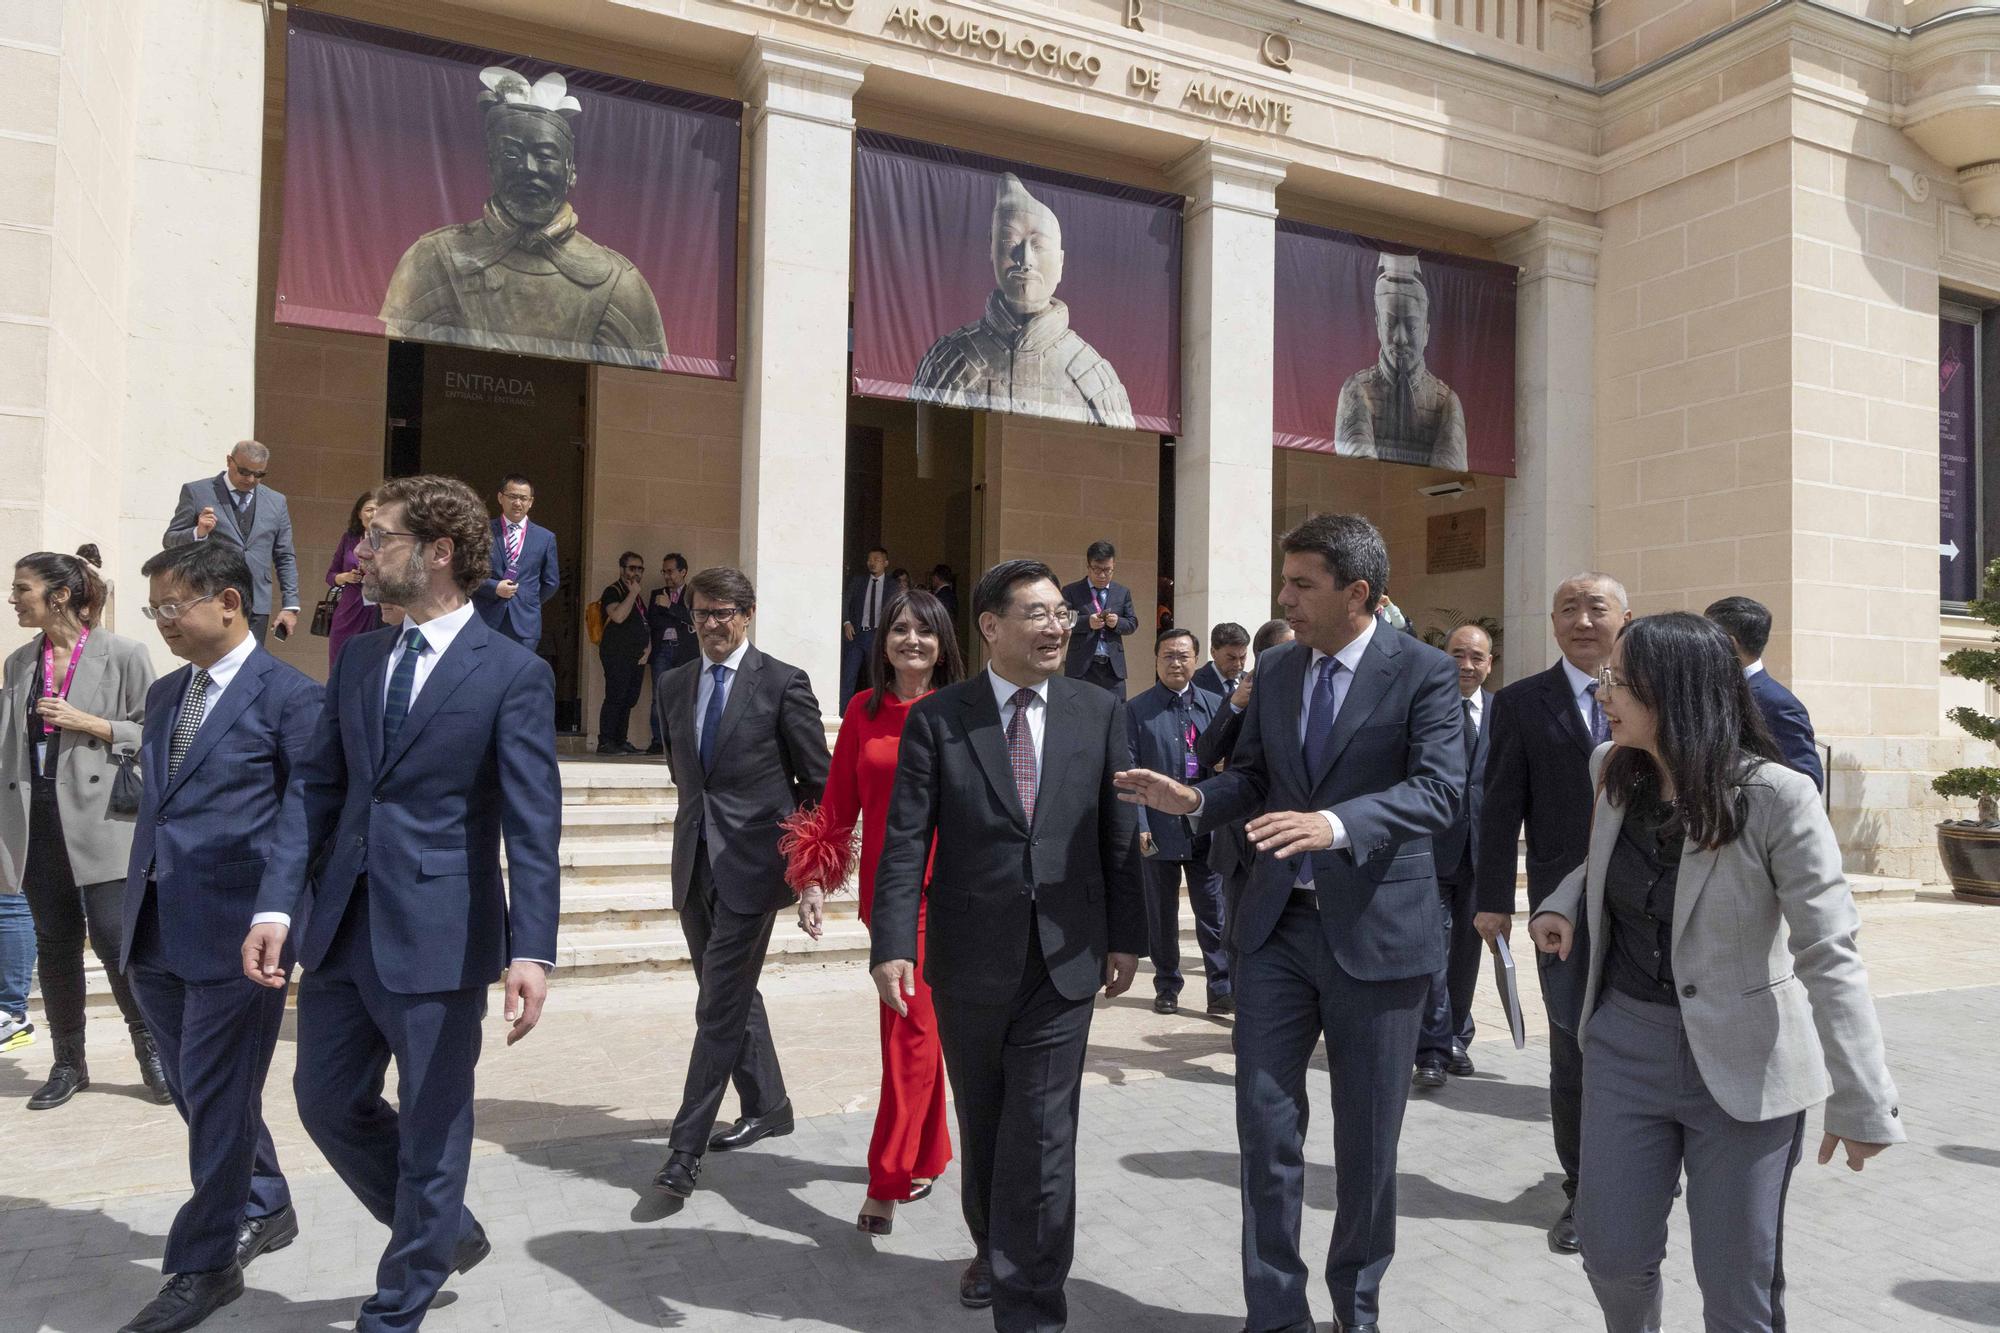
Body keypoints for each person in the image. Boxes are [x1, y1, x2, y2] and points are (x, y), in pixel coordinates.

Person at [1116, 514, 1464, 1333]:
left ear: (1359, 593)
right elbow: (1261, 777)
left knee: (1367, 1145)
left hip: (1378, 937)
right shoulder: (1274, 670)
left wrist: (1334, 824)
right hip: (1275, 931)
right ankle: (1274, 1315)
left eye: (1303, 584)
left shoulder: (1423, 674)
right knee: (1266, 1133)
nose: (1285, 599)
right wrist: (1197, 799)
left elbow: (1440, 792)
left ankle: (1357, 1310)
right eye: (1286, 582)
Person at [242, 474, 561, 1333]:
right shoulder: (361, 658)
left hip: (442, 934)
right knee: (323, 1099)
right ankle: (443, 1230)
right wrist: (276, 904)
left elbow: (533, 824)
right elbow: (314, 787)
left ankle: (397, 1306)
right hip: (342, 929)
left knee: (432, 1127)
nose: (361, 553)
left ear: (438, 551)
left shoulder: (514, 674)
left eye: (377, 536)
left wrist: (533, 947)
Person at [1528, 612, 1902, 1333]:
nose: (1603, 693)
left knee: (1736, 1285)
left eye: (1619, 681)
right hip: (1623, 1047)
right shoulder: (1611, 769)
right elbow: (1601, 860)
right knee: (1610, 1252)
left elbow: (1829, 948)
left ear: (1676, 692)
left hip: (1745, 1061)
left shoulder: (1776, 796)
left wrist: (1862, 1096)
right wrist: (1564, 899)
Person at [871, 559, 1144, 1329]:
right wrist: (893, 942)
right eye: (1038, 613)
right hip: (967, 958)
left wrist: (1129, 935)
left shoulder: (1098, 710)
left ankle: (1033, 1299)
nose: (1058, 625)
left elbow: (1118, 832)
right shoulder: (940, 718)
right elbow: (903, 842)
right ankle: (993, 1245)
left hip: (1066, 956)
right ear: (991, 626)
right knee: (988, 1117)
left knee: (1046, 1128)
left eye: (1062, 612)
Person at [114, 541, 323, 1333]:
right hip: (155, 930)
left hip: (241, 940)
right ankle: (264, 1200)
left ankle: (204, 1265)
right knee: (204, 1093)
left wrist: (280, 917)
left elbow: (306, 824)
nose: (162, 623)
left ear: (229, 601)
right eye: (154, 610)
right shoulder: (169, 694)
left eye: (173, 606)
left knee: (218, 1097)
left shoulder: (292, 698)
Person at [785, 589, 964, 1236]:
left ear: (945, 642)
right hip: (892, 901)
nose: (911, 639)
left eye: (925, 630)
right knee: (911, 1033)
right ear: (881, 639)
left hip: (961, 897)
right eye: (899, 629)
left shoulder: (963, 711)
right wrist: (812, 880)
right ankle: (902, 1169)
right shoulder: (864, 710)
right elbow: (837, 806)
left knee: (917, 1035)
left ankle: (909, 1163)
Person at [651, 567, 831, 1200]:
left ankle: (684, 1150)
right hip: (694, 862)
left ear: (748, 614)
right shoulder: (673, 684)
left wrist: (812, 874)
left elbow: (819, 784)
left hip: (756, 869)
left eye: (723, 612)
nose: (711, 624)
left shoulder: (783, 683)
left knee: (718, 1005)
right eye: (701, 613)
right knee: (729, 991)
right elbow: (684, 775)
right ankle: (769, 1105)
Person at [1473, 572, 1631, 1254]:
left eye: (1597, 607)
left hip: (1649, 904)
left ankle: (1642, 1167)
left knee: (1645, 1045)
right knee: (1571, 1049)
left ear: (1627, 617)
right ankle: (1582, 1192)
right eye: (1568, 607)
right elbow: (1500, 804)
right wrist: (1490, 901)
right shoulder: (1520, 703)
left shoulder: (1657, 695)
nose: (1582, 619)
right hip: (1561, 913)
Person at [2, 552, 169, 1111]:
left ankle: (154, 1052)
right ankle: (68, 1061)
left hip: (106, 815)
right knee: (54, 942)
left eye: (22, 588)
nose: (12, 598)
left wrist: (89, 723)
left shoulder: (125, 654)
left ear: (59, 596)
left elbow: (157, 735)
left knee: (115, 939)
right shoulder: (19, 662)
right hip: (38, 814)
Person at [379, 67, 667, 368]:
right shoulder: (435, 259)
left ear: (571, 172)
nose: (528, 168)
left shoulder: (618, 283)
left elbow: (635, 400)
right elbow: (403, 378)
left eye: (545, 155)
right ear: (491, 165)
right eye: (511, 154)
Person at [911, 173, 1134, 429]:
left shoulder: (1094, 376)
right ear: (991, 248)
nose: (1025, 259)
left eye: (1038, 246)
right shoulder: (949, 357)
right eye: (1010, 241)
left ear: (1061, 262)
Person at [1128, 628, 1230, 1017]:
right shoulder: (1137, 710)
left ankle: (1220, 987)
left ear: (1197, 660)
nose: (1176, 663)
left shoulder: (1215, 704)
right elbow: (1130, 772)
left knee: (1213, 912)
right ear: (1156, 661)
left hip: (1206, 826)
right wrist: (1140, 824)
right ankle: (1167, 985)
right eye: (1168, 655)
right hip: (1158, 828)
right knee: (1162, 914)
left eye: (1184, 656)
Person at [1415, 623, 1493, 1089]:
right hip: (1429, 851)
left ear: (1489, 663)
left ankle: (1457, 1034)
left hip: (1482, 856)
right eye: (1457, 655)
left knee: (1466, 956)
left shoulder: (1504, 713)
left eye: (1476, 657)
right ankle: (1432, 1048)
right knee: (1434, 955)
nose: (1466, 665)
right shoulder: (1425, 708)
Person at [1199, 618, 1294, 951]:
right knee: (1241, 940)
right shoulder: (1243, 695)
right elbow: (1207, 753)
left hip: (1292, 841)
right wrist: (1236, 703)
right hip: (1242, 845)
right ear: (1266, 656)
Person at [1333, 253, 1468, 471]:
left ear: (1426, 332)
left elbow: (1449, 476)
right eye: (1390, 323)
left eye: (1412, 326)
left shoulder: (1445, 402)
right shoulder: (1357, 390)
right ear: (1378, 324)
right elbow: (1357, 472)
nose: (1400, 338)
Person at [162, 441, 300, 646]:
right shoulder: (197, 491)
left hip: (256, 602)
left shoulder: (276, 501)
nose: (251, 479)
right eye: (244, 472)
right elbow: (170, 539)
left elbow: (284, 556)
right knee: (212, 661)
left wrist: (290, 605)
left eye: (259, 474)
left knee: (251, 666)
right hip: (211, 597)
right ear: (229, 461)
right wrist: (197, 532)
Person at [1705, 595, 1825, 792]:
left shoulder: (1777, 702)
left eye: (1706, 635)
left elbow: (1807, 781)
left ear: (1729, 643)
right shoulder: (1711, 692)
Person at [474, 475, 561, 650]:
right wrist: (494, 588)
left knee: (520, 676)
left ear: (531, 502)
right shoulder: (482, 532)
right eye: (512, 497)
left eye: (523, 498)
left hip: (525, 625)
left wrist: (527, 600)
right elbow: (467, 573)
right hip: (486, 619)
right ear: (500, 498)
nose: (517, 503)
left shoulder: (545, 538)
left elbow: (551, 582)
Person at [1060, 541, 1137, 693]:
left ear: (1113, 566)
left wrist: (1117, 623)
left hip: (1113, 668)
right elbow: (1062, 621)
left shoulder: (1122, 592)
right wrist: (1086, 622)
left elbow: (1132, 623)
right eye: (1097, 570)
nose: (1102, 575)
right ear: (1088, 567)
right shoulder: (1071, 591)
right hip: (1082, 667)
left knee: (1116, 712)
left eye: (1107, 570)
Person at [597, 552, 650, 754]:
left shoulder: (636, 594)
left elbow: (644, 623)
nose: (636, 573)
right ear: (622, 569)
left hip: (636, 655)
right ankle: (606, 741)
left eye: (640, 569)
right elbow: (618, 616)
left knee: (629, 699)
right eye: (631, 568)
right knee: (615, 696)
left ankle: (620, 740)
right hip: (616, 653)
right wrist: (633, 594)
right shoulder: (614, 590)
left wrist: (648, 648)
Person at [325, 491, 385, 667]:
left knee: (370, 665)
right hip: (349, 609)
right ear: (359, 514)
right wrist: (345, 577)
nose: (374, 514)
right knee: (340, 663)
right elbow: (330, 576)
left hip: (378, 609)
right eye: (369, 509)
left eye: (378, 510)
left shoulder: (390, 540)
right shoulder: (349, 539)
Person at [645, 553, 696, 755]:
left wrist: (670, 607)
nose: (666, 576)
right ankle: (658, 740)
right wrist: (677, 616)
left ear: (683, 572)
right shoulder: (657, 593)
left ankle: (682, 741)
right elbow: (654, 622)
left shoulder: (693, 594)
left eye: (670, 571)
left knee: (686, 696)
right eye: (664, 571)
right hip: (662, 650)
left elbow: (694, 619)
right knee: (659, 696)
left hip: (685, 651)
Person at [841, 547, 893, 708]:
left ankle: (873, 713)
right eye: (870, 559)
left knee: (874, 678)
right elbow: (844, 602)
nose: (872, 563)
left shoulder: (893, 586)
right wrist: (846, 622)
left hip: (878, 636)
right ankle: (843, 714)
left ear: (886, 563)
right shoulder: (858, 582)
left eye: (877, 559)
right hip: (856, 635)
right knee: (848, 677)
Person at [1192, 622, 1250, 700]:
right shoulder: (1194, 683)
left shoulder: (1252, 682)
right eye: (1231, 658)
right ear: (1213, 652)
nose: (1238, 664)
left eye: (1242, 657)